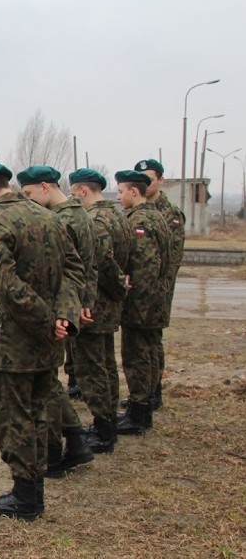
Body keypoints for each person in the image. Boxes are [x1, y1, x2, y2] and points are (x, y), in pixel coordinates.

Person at [0, 163, 82, 521]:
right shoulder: (49, 218)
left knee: (12, 418)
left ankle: (25, 498)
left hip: (15, 342)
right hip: (49, 342)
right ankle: (33, 492)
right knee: (39, 412)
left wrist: (47, 321)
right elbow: (74, 269)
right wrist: (63, 315)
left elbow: (5, 285)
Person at [18, 165, 96, 476]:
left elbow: (71, 268)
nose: (29, 201)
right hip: (69, 306)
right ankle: (76, 441)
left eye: (29, 194)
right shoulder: (78, 214)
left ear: (45, 186)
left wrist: (68, 310)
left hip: (58, 310)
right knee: (49, 380)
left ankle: (61, 449)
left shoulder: (63, 219)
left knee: (46, 382)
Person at [68, 168, 131, 453]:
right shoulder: (118, 214)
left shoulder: (96, 219)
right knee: (106, 365)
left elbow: (102, 262)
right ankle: (108, 424)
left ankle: (104, 430)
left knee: (92, 367)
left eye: (73, 192)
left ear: (82, 190)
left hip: (96, 303)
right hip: (108, 302)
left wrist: (115, 288)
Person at [114, 170, 170, 435]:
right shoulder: (155, 215)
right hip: (152, 301)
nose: (119, 196)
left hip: (142, 303)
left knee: (137, 356)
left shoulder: (141, 221)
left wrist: (135, 303)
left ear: (133, 192)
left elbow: (146, 268)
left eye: (121, 191)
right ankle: (143, 409)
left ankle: (138, 414)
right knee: (148, 353)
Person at [134, 158, 184, 412]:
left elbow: (171, 259)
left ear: (160, 181)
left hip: (157, 291)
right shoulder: (138, 210)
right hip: (141, 291)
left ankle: (153, 393)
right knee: (144, 342)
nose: (146, 184)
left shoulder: (169, 213)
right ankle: (146, 391)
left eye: (150, 179)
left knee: (151, 340)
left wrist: (159, 291)